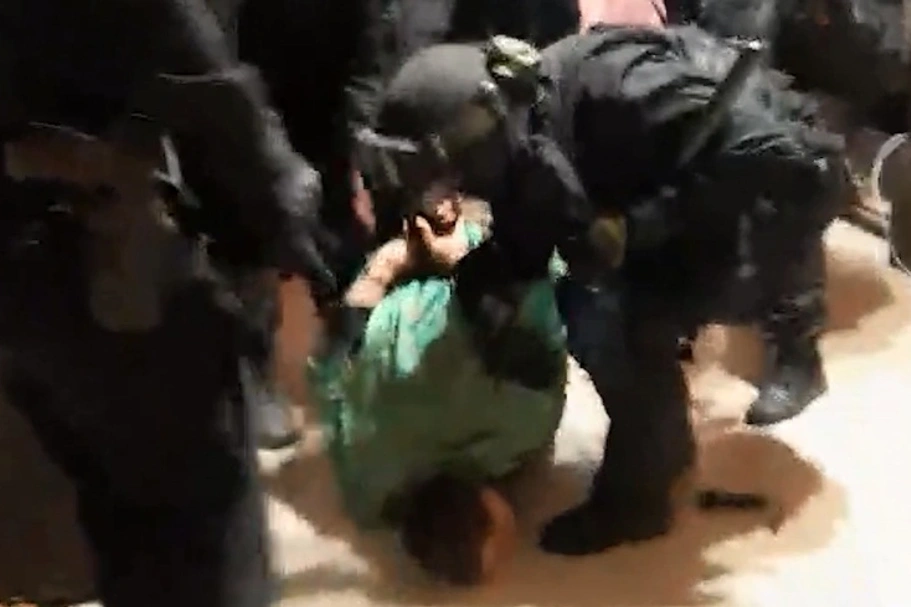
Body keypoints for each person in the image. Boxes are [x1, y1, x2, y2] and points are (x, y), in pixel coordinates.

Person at [362, 27, 847, 556]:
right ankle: (687, 425)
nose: (447, 193)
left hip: (770, 194)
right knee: (574, 275)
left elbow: (785, 161)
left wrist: (639, 227)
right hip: (682, 182)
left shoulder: (621, 90)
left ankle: (642, 498)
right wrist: (490, 292)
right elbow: (534, 209)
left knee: (606, 315)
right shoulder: (522, 116)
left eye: (451, 175)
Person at [0, 0, 362, 605]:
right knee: (202, 532)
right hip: (122, 290)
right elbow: (215, 105)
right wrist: (283, 235)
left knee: (115, 510)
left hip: (21, 301)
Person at [309, 186, 567, 585]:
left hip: (454, 288)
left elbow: (544, 315)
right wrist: (381, 272)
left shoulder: (523, 423)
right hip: (388, 295)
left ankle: (452, 241)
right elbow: (327, 367)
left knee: (532, 284)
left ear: (487, 503)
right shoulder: (366, 488)